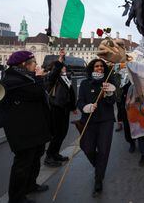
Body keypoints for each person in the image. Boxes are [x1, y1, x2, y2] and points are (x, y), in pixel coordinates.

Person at [1, 49, 65, 203]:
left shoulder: (27, 77)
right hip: (22, 131)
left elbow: (48, 82)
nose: (37, 65)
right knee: (22, 164)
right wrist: (38, 77)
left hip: (35, 128)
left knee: (36, 158)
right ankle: (16, 198)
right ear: (24, 64)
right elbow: (36, 92)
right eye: (34, 62)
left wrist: (59, 63)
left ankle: (30, 185)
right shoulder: (12, 79)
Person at [77, 58, 116, 197]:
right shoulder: (84, 83)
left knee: (104, 150)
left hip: (106, 120)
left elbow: (112, 102)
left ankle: (98, 179)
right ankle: (99, 167)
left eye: (101, 66)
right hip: (89, 120)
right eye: (96, 66)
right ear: (92, 68)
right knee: (86, 147)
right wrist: (85, 107)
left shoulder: (109, 83)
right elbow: (80, 101)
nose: (99, 68)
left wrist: (109, 93)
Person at [44, 63, 76, 167]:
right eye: (62, 66)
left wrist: (73, 106)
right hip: (56, 108)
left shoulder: (65, 77)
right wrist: (60, 61)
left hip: (65, 107)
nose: (65, 67)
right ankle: (49, 156)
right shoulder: (53, 77)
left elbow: (70, 92)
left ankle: (55, 153)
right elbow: (54, 73)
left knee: (63, 133)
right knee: (57, 133)